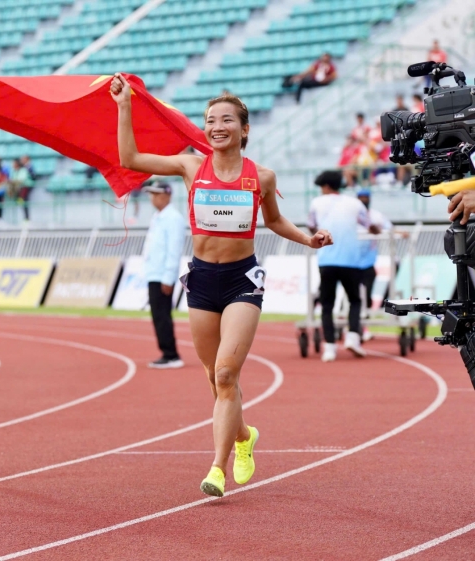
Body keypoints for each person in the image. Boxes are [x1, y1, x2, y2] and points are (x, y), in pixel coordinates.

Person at [111, 73, 332, 498]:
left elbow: (274, 221)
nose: (217, 126)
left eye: (227, 120)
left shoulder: (261, 177)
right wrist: (124, 106)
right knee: (216, 379)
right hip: (201, 280)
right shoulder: (190, 166)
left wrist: (308, 239)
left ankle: (217, 468)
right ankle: (244, 435)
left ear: (244, 130)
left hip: (241, 281)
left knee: (228, 373)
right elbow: (130, 157)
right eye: (211, 120)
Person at [308, 170, 380, 362]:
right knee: (355, 300)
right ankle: (353, 337)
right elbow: (370, 225)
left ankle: (330, 348)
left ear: (325, 186)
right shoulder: (354, 203)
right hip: (351, 260)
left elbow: (311, 226)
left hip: (326, 259)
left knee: (327, 304)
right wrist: (377, 231)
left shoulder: (316, 202)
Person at [142, 180, 187, 369]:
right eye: (151, 194)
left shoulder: (173, 218)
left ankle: (171, 354)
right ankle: (167, 352)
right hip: (154, 273)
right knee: (158, 315)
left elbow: (173, 250)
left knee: (162, 315)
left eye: (156, 194)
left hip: (162, 275)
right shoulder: (158, 216)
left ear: (166, 195)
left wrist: (168, 277)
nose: (153, 198)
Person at [355, 189, 393, 341]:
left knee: (367, 295)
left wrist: (397, 233)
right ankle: (356, 327)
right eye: (361, 197)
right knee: (353, 296)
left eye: (366, 197)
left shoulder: (376, 216)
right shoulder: (351, 216)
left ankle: (363, 325)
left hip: (368, 262)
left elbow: (389, 229)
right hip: (351, 262)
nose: (363, 200)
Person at [9, 156, 35, 224]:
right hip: (19, 188)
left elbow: (21, 179)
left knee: (24, 202)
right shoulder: (14, 171)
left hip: (25, 187)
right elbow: (12, 179)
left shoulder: (23, 170)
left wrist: (14, 182)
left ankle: (27, 218)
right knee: (23, 203)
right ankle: (18, 198)